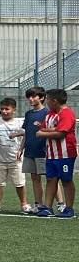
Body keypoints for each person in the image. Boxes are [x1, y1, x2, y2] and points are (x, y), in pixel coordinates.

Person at [36, 88, 77, 218]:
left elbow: (61, 133)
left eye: (47, 99)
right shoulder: (50, 114)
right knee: (50, 179)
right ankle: (47, 207)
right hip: (51, 154)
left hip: (65, 154)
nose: (46, 101)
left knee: (66, 180)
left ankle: (69, 208)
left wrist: (43, 133)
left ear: (54, 101)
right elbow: (44, 127)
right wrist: (46, 130)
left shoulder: (67, 113)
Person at [0, 97, 27, 212]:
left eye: (7, 109)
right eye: (2, 109)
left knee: (19, 183)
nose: (4, 111)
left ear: (14, 109)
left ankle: (24, 204)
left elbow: (26, 135)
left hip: (15, 159)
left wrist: (21, 150)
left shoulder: (20, 123)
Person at [22, 86, 48, 214]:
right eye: (29, 97)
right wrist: (21, 148)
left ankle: (60, 203)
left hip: (43, 151)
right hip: (30, 151)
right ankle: (39, 204)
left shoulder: (47, 113)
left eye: (33, 96)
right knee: (34, 178)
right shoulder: (28, 114)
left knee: (51, 178)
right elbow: (26, 132)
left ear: (42, 98)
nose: (30, 99)